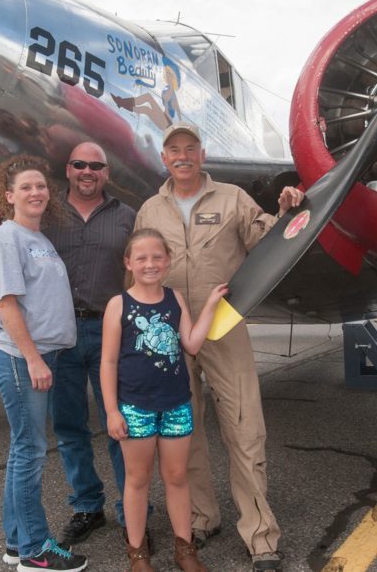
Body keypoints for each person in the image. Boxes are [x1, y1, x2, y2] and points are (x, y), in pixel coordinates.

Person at [133, 123, 304, 572]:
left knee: (245, 430)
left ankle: (261, 536)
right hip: (169, 334)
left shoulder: (231, 198)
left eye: (191, 148)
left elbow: (269, 239)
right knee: (182, 433)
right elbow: (137, 272)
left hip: (224, 326)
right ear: (164, 158)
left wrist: (286, 210)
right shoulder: (150, 208)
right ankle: (201, 517)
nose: (183, 156)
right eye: (175, 150)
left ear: (202, 154)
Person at [100, 228, 229, 572]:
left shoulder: (175, 299)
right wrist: (112, 410)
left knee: (176, 476)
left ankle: (185, 549)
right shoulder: (119, 305)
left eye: (157, 257)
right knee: (137, 480)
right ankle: (138, 553)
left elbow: (191, 343)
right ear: (128, 263)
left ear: (168, 260)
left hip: (176, 404)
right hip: (135, 407)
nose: (150, 264)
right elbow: (109, 362)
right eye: (141, 258)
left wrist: (212, 306)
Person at [0, 154, 87, 572]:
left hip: (42, 354)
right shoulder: (8, 238)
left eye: (40, 186)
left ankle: (15, 542)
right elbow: (5, 303)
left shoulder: (37, 239)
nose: (35, 192)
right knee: (30, 452)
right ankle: (35, 550)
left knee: (22, 450)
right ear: (9, 197)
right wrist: (32, 359)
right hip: (24, 359)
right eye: (25, 187)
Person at [41, 142, 137, 546]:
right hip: (59, 333)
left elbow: (143, 270)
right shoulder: (45, 214)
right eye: (80, 164)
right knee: (68, 427)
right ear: (68, 169)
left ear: (106, 174)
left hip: (110, 332)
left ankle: (132, 511)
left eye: (96, 165)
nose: (87, 171)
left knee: (121, 427)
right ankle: (86, 507)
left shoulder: (126, 217)